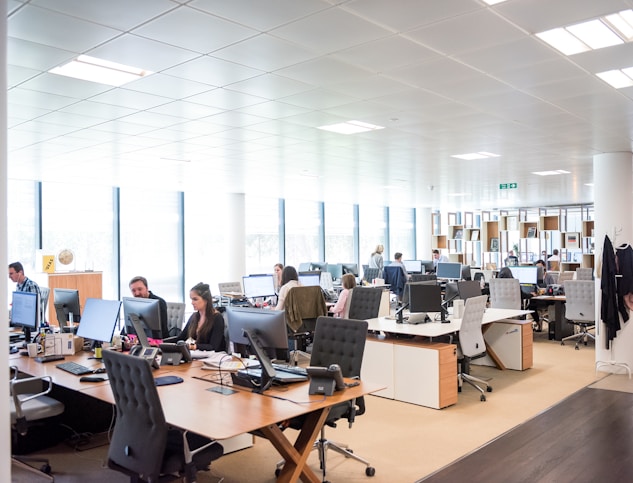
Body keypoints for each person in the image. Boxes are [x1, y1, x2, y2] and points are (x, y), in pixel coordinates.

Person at [176, 282, 226, 352]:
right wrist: (158, 342)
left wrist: (192, 346)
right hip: (197, 355)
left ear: (206, 300)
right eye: (191, 299)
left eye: (195, 299)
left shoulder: (217, 318)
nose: (192, 302)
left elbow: (214, 346)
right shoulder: (194, 316)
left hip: (213, 357)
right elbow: (180, 338)